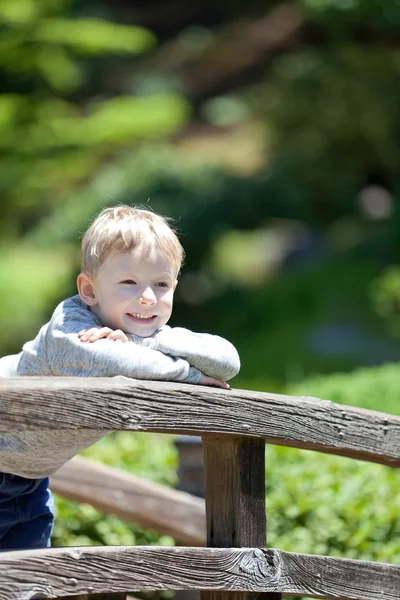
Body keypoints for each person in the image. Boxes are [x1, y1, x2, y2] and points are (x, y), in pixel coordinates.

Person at [0, 204, 240, 550]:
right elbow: (112, 360)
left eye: (161, 284)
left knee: (27, 584)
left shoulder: (139, 336)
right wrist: (186, 373)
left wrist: (149, 341)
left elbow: (227, 360)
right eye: (129, 282)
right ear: (89, 290)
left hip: (30, 482)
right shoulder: (70, 331)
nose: (147, 297)